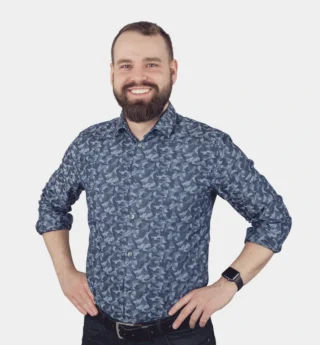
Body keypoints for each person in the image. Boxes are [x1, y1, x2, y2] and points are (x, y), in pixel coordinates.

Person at [35, 21, 292, 345]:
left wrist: (228, 283)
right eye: (127, 65)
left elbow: (273, 217)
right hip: (100, 332)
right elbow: (52, 204)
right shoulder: (90, 144)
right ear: (113, 72)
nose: (138, 76)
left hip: (181, 335)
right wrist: (65, 272)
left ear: (173, 70)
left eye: (151, 65)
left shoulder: (207, 147)